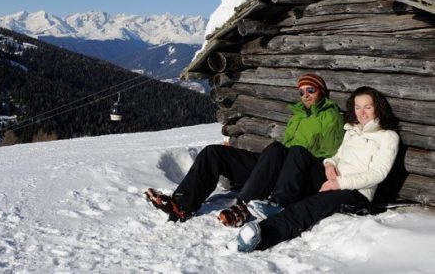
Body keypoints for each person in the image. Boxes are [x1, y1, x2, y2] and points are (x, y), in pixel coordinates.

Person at [145, 73, 344, 225]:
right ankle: (181, 205)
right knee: (214, 153)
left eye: (311, 90)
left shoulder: (332, 118)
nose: (305, 95)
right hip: (275, 165)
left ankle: (243, 207)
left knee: (276, 149)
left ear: (322, 92)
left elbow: (328, 154)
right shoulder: (298, 115)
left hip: (297, 173)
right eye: (301, 92)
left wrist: (291, 159)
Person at [235, 86, 400, 253]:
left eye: (368, 107)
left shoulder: (388, 136)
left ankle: (262, 236)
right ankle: (280, 203)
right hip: (334, 180)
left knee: (309, 206)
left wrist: (338, 183)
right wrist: (329, 164)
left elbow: (378, 174)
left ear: (377, 108)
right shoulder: (353, 130)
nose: (362, 112)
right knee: (298, 152)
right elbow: (337, 155)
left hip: (356, 193)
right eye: (358, 107)